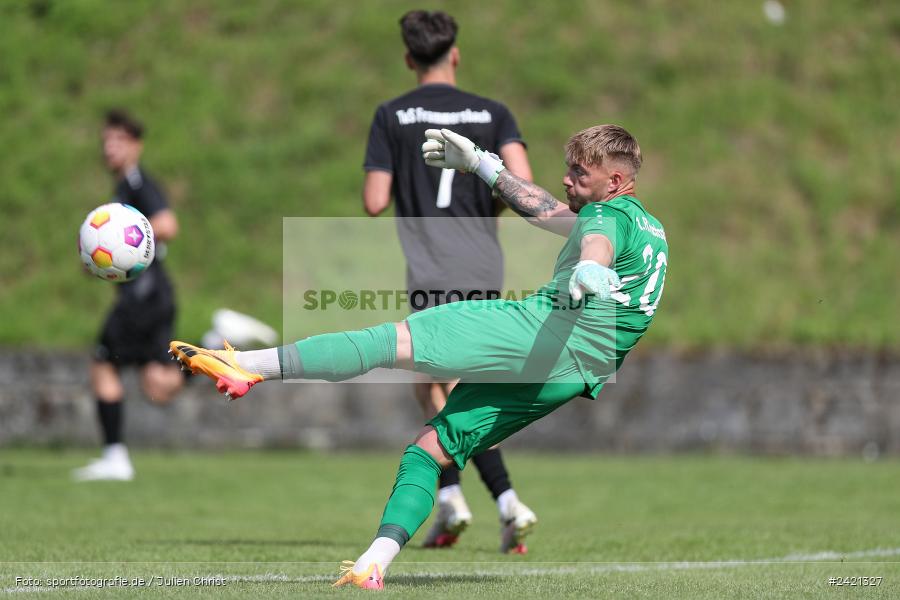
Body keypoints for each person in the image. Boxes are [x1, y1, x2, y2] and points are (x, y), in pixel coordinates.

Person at [170, 123, 668, 590]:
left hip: (541, 330)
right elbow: (550, 213)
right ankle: (372, 565)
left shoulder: (606, 216)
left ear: (615, 180)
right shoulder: (648, 228)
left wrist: (587, 267)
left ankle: (248, 366)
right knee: (430, 451)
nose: (567, 178)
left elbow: (597, 242)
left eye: (579, 173)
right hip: (576, 369)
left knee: (390, 341)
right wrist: (484, 166)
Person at [362, 9, 536, 553]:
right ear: (455, 54)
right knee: (434, 384)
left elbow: (373, 201)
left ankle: (495, 499)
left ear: (410, 59)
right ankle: (464, 499)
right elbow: (523, 187)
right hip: (482, 264)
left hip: (431, 266)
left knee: (448, 387)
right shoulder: (494, 113)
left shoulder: (391, 115)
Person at [73, 110, 182, 482]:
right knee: (159, 385)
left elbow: (168, 224)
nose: (109, 148)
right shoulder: (124, 186)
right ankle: (213, 343)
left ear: (136, 145)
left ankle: (114, 456)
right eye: (105, 141)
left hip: (142, 296)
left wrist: (121, 241)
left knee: (103, 365)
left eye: (118, 140)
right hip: (153, 293)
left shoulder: (138, 184)